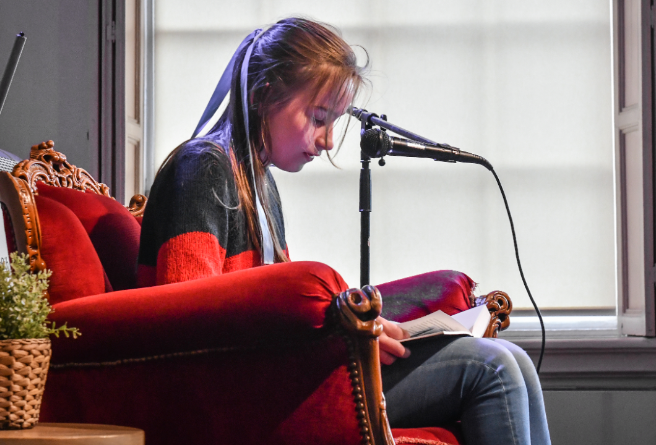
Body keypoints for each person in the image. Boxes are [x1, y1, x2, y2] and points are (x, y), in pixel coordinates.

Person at [137, 17, 551, 445]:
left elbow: (272, 313)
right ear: (262, 95)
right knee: (493, 370)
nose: (329, 140)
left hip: (278, 376)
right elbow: (186, 323)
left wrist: (357, 332)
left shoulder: (260, 183)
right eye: (319, 118)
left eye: (334, 121)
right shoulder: (203, 168)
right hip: (246, 393)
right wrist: (338, 335)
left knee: (512, 359)